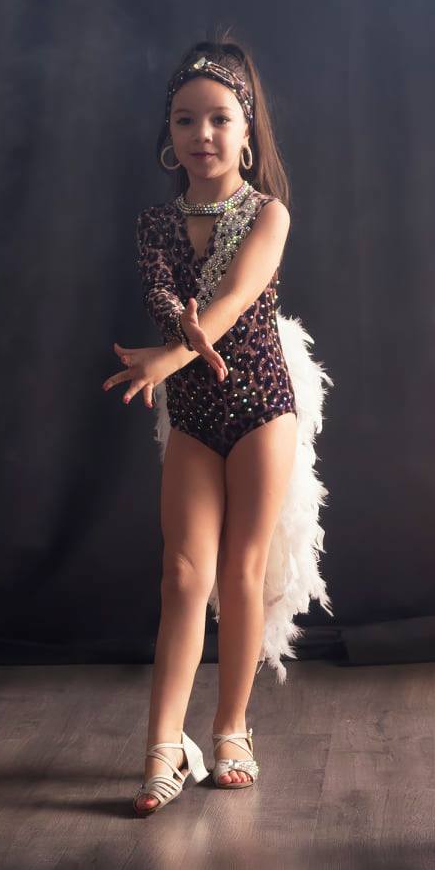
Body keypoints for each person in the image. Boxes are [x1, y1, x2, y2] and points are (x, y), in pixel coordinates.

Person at [106, 42, 328, 815]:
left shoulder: (269, 214)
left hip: (261, 402)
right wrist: (180, 336)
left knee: (241, 575)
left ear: (247, 130)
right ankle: (164, 744)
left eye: (219, 119)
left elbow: (233, 301)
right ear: (169, 135)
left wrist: (170, 356)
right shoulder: (155, 223)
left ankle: (232, 728)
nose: (202, 134)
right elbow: (165, 295)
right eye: (185, 120)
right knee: (182, 576)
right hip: (196, 414)